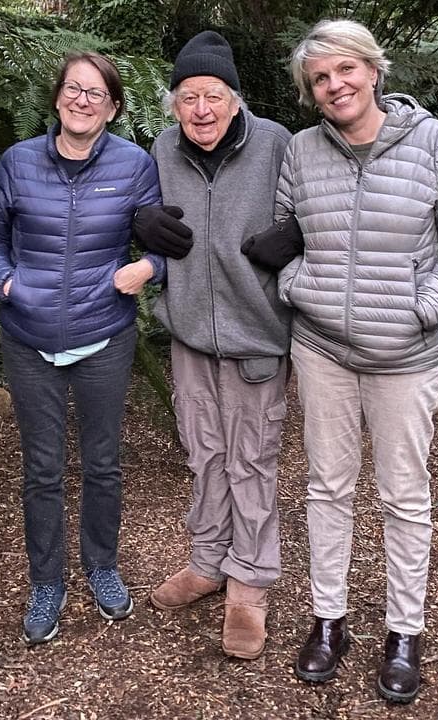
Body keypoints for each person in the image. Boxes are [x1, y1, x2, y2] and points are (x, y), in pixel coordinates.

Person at [269, 19, 438, 702]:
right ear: (311, 92)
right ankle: (328, 621)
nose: (334, 85)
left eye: (345, 69)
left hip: (405, 357)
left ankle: (404, 632)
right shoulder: (302, 150)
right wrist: (298, 287)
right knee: (327, 488)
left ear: (373, 69)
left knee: (404, 496)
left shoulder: (433, 142)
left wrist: (421, 308)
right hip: (323, 351)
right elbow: (284, 235)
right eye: (320, 78)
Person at [0, 51, 167, 646]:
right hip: (28, 339)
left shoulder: (134, 165)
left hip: (104, 335)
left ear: (114, 108)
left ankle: (102, 566)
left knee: (103, 463)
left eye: (96, 93)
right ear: (57, 97)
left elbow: (165, 239)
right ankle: (46, 582)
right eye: (74, 89)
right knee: (42, 469)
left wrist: (147, 268)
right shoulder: (18, 162)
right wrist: (6, 283)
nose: (83, 101)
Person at [130, 30, 294, 660]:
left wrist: (297, 233)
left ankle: (249, 582)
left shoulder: (275, 143)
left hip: (257, 335)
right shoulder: (162, 148)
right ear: (173, 104)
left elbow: (323, 205)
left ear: (235, 99)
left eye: (213, 96)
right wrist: (139, 221)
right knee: (204, 455)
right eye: (188, 97)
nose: (201, 110)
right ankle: (207, 561)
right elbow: (143, 212)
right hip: (191, 333)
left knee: (250, 460)